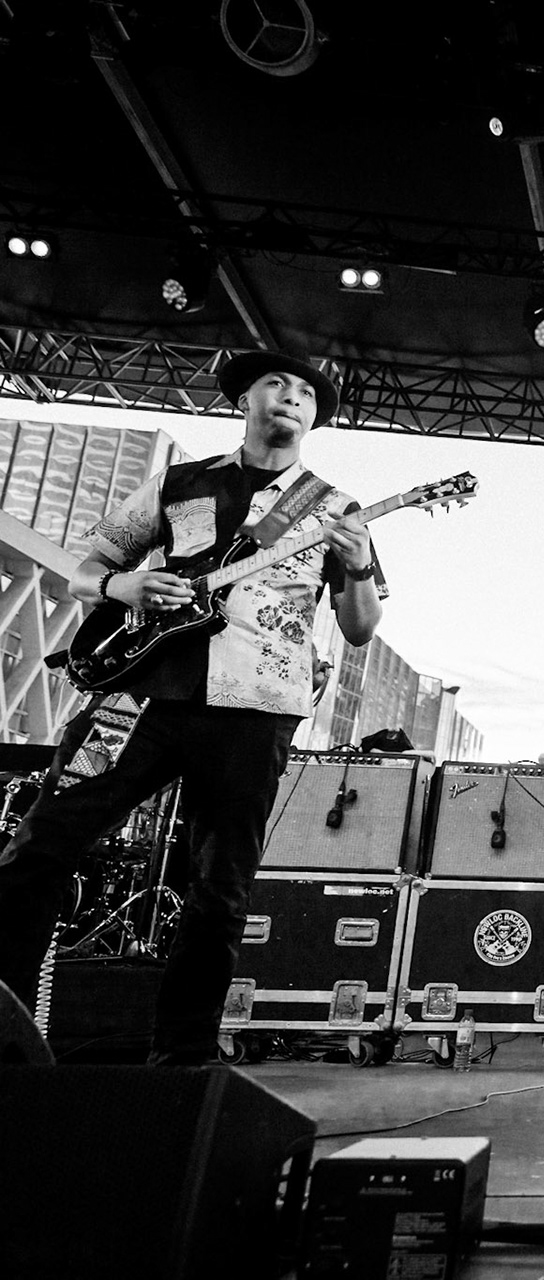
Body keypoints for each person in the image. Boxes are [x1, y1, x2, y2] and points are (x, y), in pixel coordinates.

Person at [0, 350, 386, 1065]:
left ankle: (183, 1060)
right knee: (39, 845)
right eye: (277, 384)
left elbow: (361, 627)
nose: (292, 398)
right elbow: (89, 566)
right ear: (245, 399)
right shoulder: (179, 482)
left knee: (220, 888)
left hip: (254, 709)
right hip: (136, 694)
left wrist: (359, 561)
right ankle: (7, 1031)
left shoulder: (335, 508)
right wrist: (124, 591)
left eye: (307, 394)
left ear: (315, 420)